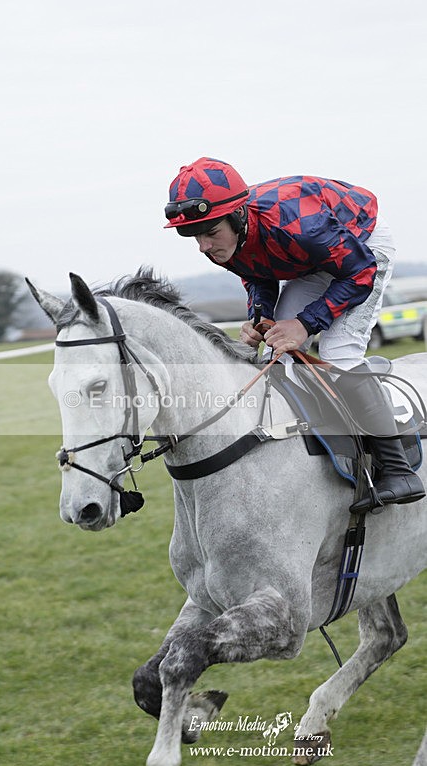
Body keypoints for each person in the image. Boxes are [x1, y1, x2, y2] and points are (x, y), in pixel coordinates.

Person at [164, 157, 425, 514]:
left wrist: (304, 324)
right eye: (194, 235)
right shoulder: (226, 241)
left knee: (338, 354)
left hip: (361, 248)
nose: (204, 246)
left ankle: (399, 470)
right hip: (312, 257)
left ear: (239, 216)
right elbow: (258, 273)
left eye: (211, 232)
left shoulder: (297, 224)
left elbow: (359, 274)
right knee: (280, 353)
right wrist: (261, 317)